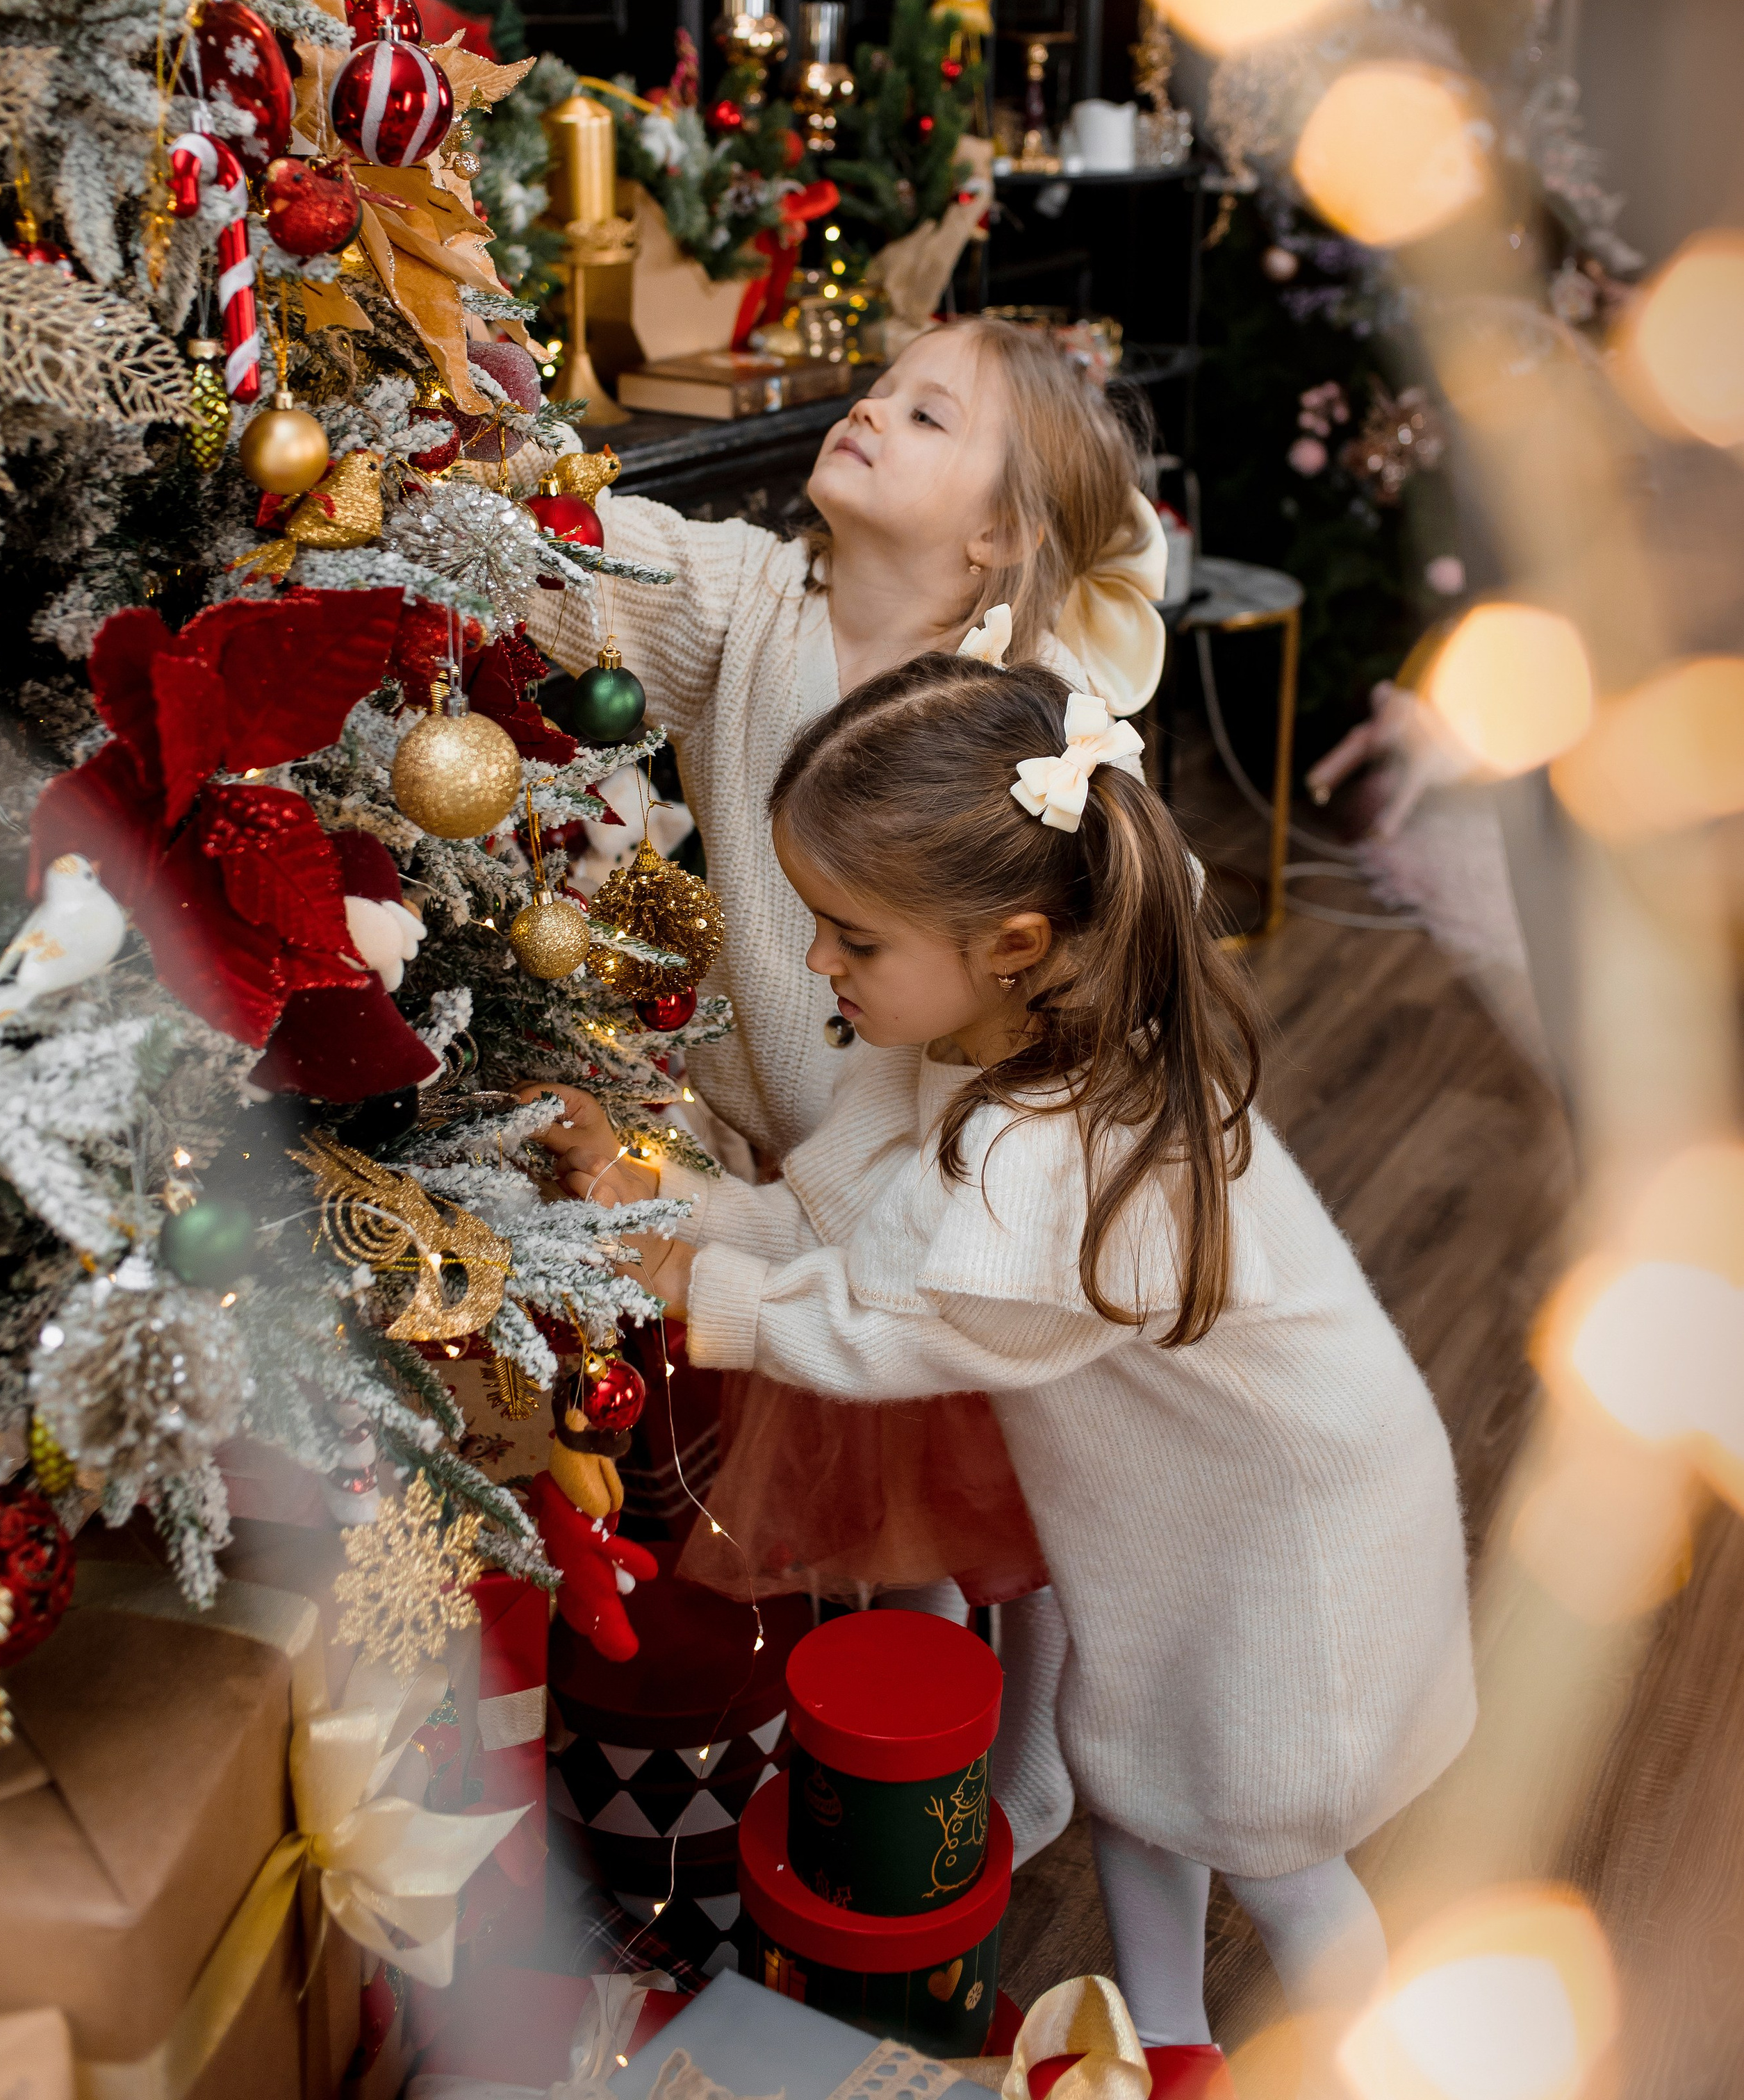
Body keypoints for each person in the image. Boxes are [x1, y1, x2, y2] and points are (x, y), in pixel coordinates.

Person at [541, 656, 1476, 2077]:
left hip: (1290, 1532)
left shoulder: (1067, 1152)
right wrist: (662, 1216)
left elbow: (895, 1327)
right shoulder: (968, 1040)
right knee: (1142, 1778)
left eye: (849, 937)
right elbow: (837, 1220)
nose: (815, 966)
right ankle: (1162, 2042)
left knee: (1266, 1835)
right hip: (1186, 1511)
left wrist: (701, 1295)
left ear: (1016, 942)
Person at [525, 317, 1169, 1865]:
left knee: (1017, 1476)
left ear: (997, 536)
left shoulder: (1016, 723)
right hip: (778, 1155)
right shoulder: (750, 601)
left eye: (927, 416)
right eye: (878, 387)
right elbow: (567, 554)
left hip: (954, 1176)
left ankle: (1021, 1762)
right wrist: (483, 454)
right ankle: (911, 1744)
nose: (870, 411)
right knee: (896, 1502)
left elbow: (1108, 923)